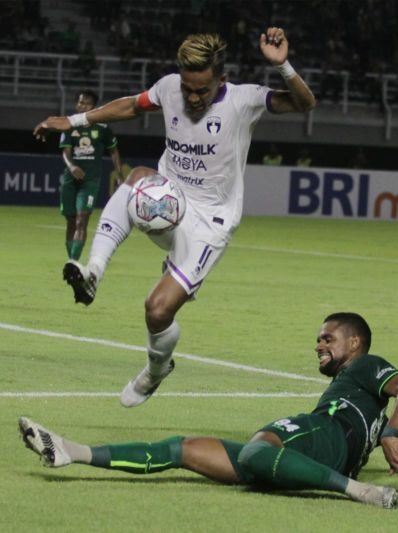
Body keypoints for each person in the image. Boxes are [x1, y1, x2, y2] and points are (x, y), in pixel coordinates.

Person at [32, 29, 315, 408]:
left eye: (202, 90)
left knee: (157, 310)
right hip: (169, 195)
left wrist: (283, 66)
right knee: (136, 179)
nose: (193, 98)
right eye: (187, 89)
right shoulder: (169, 88)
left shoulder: (245, 100)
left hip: (210, 222)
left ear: (222, 79)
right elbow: (132, 105)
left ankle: (156, 369)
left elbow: (303, 103)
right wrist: (75, 120)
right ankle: (93, 272)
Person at [19, 313, 398, 509]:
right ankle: (70, 451)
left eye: (328, 338)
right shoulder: (360, 397)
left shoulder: (364, 365)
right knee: (181, 449)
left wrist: (390, 435)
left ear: (355, 344)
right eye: (318, 339)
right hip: (311, 453)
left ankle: (358, 492)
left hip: (325, 433)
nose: (319, 345)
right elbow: (394, 426)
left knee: (255, 452)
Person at [58, 90, 123, 261]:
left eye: (86, 103)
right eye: (80, 102)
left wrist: (119, 174)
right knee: (71, 220)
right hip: (70, 180)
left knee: (82, 219)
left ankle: (73, 262)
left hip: (90, 180)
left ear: (94, 107)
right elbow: (65, 152)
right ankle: (71, 258)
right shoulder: (69, 125)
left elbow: (114, 151)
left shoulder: (102, 128)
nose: (82, 106)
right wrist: (71, 167)